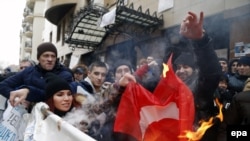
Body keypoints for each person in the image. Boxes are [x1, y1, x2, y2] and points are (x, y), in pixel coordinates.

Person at [117, 11, 222, 141]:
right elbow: (136, 97)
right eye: (178, 67)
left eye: (186, 67)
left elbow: (212, 73)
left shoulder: (199, 89)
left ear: (195, 70)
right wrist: (123, 87)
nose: (181, 71)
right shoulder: (164, 87)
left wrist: (201, 41)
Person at [0, 42, 73, 107]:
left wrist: (28, 92)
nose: (50, 59)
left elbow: (51, 95)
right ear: (38, 58)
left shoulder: (65, 75)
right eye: (46, 56)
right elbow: (3, 85)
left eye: (53, 56)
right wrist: (18, 99)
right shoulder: (28, 72)